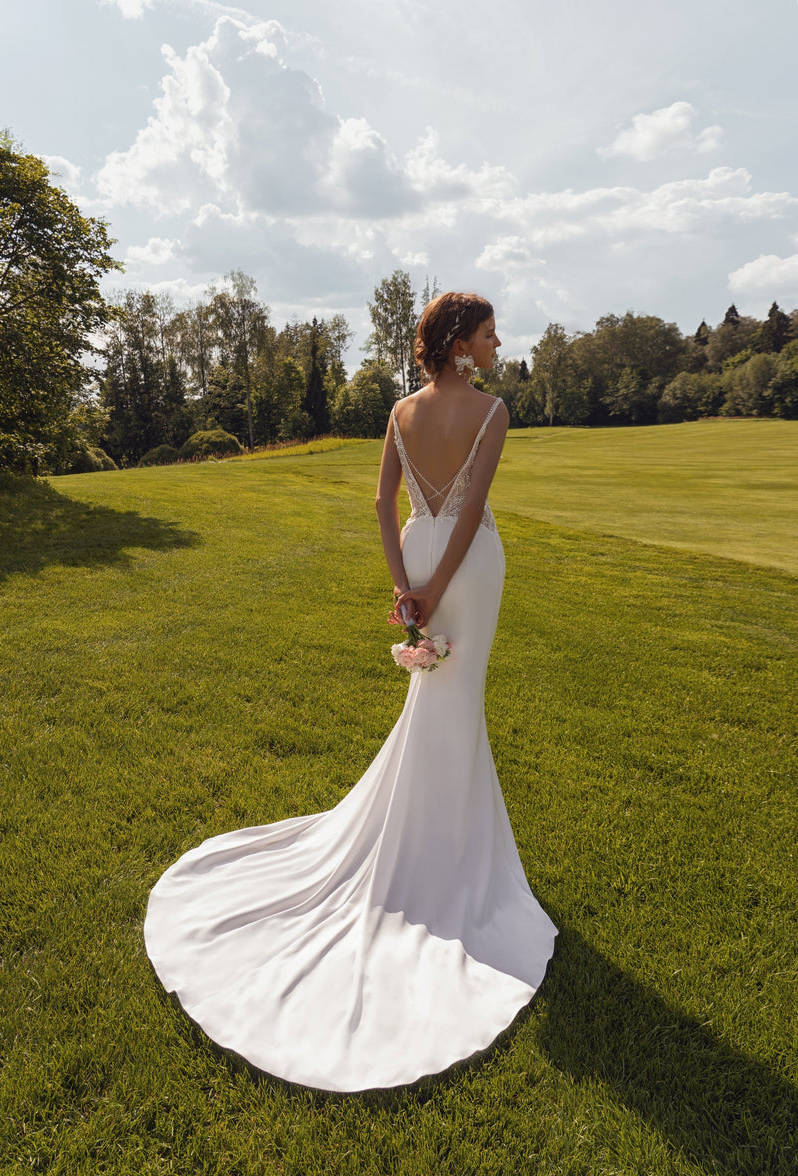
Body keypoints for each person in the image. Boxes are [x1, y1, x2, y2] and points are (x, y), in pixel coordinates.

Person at [144, 292, 557, 1092]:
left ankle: (434, 846)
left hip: (417, 554)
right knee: (456, 702)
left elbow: (381, 503)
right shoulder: (493, 410)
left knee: (437, 703)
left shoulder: (401, 411)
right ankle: (449, 865)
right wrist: (438, 590)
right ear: (460, 346)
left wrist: (406, 586)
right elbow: (471, 510)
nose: (498, 342)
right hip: (467, 569)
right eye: (488, 332)